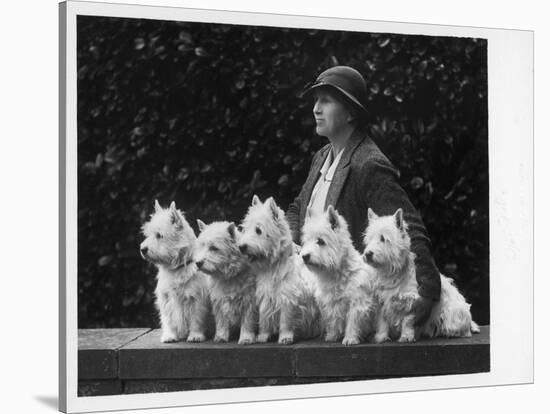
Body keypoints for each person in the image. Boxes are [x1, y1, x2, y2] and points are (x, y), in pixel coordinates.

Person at [286, 65, 441, 326]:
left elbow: (408, 225)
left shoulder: (368, 164)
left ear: (350, 112)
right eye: (315, 101)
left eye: (326, 100)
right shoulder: (321, 157)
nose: (316, 108)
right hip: (312, 291)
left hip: (350, 306)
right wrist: (284, 240)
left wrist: (428, 291)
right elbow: (298, 207)